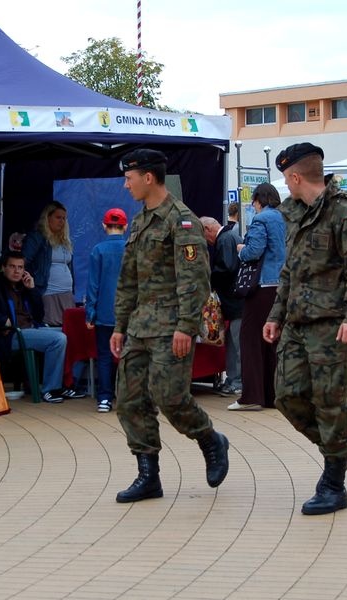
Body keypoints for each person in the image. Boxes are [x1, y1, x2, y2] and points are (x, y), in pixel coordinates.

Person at [264, 142, 347, 515]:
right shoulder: (294, 214)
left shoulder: (346, 212)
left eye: (286, 178)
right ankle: (341, 447)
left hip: (333, 325)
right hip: (297, 323)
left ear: (296, 176)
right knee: (286, 395)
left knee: (329, 402)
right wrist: (275, 315)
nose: (285, 186)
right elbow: (289, 272)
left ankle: (333, 484)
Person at [110, 148, 229, 503]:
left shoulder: (183, 221)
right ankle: (148, 475)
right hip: (139, 327)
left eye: (129, 177)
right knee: (129, 400)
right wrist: (119, 326)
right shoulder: (139, 221)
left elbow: (195, 280)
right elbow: (127, 279)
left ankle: (210, 439)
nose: (125, 184)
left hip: (171, 327)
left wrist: (185, 326)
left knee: (171, 397)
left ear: (149, 177)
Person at [0, 251, 83, 403]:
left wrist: (32, 289)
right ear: (3, 267)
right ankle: (50, 389)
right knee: (58, 339)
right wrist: (2, 319)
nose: (17, 271)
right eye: (12, 266)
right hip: (10, 334)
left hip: (31, 328)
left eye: (20, 267)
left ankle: (67, 384)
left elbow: (39, 314)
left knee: (70, 334)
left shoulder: (23, 286)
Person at [230, 182, 285, 410]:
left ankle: (251, 396)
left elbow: (254, 251)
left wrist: (241, 249)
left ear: (258, 200)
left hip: (262, 285)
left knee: (250, 338)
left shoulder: (261, 219)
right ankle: (272, 394)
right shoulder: (284, 218)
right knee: (271, 340)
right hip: (281, 284)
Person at [85, 208, 128, 413]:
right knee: (131, 356)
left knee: (104, 356)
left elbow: (92, 285)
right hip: (130, 313)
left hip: (104, 313)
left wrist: (90, 313)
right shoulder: (132, 249)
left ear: (104, 226)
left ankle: (104, 399)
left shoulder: (98, 250)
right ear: (125, 226)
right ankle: (130, 398)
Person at [201, 216, 243, 395]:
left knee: (236, 343)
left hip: (235, 301)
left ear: (207, 230)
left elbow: (226, 268)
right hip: (237, 301)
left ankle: (237, 381)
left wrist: (210, 279)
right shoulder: (231, 236)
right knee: (235, 343)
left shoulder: (224, 240)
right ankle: (235, 380)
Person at [22, 200, 76, 326]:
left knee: (68, 329)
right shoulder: (37, 237)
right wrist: (32, 285)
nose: (62, 221)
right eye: (58, 217)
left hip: (66, 293)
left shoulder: (65, 241)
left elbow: (68, 267)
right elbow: (23, 261)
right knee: (52, 328)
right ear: (47, 218)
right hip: (48, 293)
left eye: (64, 218)